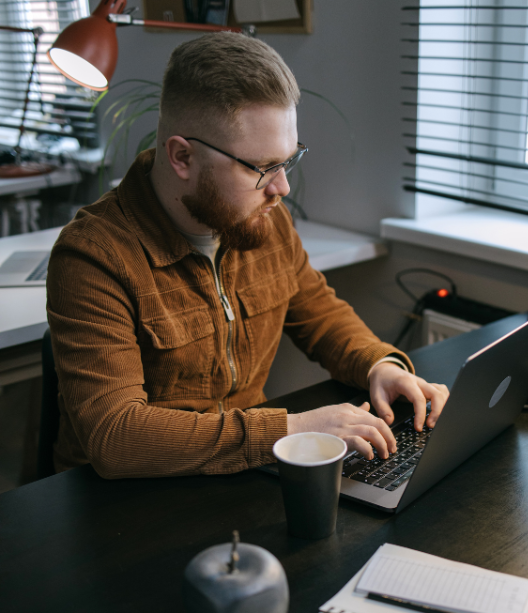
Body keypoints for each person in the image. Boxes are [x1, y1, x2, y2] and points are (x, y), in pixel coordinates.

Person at [46, 33, 449, 478]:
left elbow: (320, 316)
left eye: (287, 161)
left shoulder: (263, 218)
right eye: (261, 168)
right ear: (182, 156)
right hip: (121, 504)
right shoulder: (93, 256)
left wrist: (380, 364)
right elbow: (117, 437)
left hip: (239, 475)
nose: (282, 188)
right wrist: (291, 430)